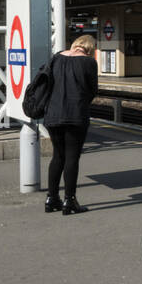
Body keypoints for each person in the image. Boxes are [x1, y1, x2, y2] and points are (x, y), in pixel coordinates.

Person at [44, 34, 99, 215]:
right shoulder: (89, 63)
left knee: (57, 157)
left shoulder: (56, 58)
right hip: (75, 115)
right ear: (90, 49)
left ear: (76, 44)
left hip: (53, 115)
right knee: (72, 158)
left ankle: (51, 198)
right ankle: (70, 200)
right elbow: (92, 91)